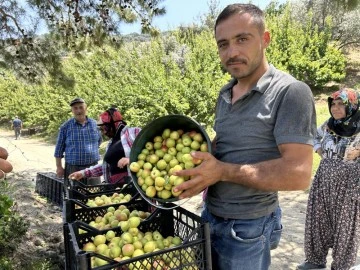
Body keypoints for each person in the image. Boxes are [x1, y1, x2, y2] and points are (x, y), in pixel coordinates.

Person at [173, 4, 317, 270]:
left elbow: (299, 174)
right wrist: (196, 157)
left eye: (242, 39)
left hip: (248, 227)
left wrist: (221, 172)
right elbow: (229, 146)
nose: (232, 52)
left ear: (265, 39)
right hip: (210, 215)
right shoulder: (225, 93)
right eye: (223, 44)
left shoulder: (291, 92)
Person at [297, 88, 360, 270]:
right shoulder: (329, 125)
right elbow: (314, 136)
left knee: (345, 224)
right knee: (318, 218)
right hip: (324, 178)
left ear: (352, 106)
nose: (336, 108)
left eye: (341, 104)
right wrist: (320, 151)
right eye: (333, 104)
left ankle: (341, 265)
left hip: (350, 183)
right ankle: (315, 260)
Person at [68, 107, 141, 185]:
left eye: (103, 129)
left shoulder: (134, 133)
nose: (103, 132)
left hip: (132, 186)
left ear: (112, 124)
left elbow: (150, 156)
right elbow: (105, 167)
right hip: (116, 189)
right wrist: (83, 173)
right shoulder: (110, 143)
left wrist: (131, 160)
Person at [54, 98, 102, 187]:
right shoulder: (65, 126)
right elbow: (58, 150)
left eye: (81, 107)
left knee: (95, 195)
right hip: (73, 168)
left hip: (92, 168)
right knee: (74, 196)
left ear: (86, 108)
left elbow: (99, 141)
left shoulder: (95, 124)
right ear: (72, 110)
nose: (79, 111)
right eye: (75, 108)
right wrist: (59, 167)